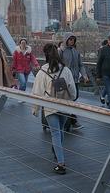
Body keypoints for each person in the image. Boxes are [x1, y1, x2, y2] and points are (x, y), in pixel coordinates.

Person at [31, 43, 77, 175]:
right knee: (60, 131)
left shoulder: (43, 71)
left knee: (55, 133)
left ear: (45, 55)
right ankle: (58, 153)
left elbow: (37, 92)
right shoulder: (66, 70)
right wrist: (71, 100)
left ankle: (61, 164)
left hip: (50, 107)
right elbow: (72, 91)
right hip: (64, 105)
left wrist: (35, 109)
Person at [60, 33, 88, 130]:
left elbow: (81, 65)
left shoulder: (76, 52)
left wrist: (84, 75)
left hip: (75, 79)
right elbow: (57, 64)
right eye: (70, 39)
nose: (72, 41)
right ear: (66, 40)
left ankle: (67, 119)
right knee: (70, 100)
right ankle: (73, 121)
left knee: (74, 97)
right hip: (65, 79)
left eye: (73, 39)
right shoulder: (61, 51)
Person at [97, 39, 108, 105]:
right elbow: (99, 62)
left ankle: (104, 97)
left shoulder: (101, 50)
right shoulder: (102, 50)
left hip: (109, 70)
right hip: (104, 71)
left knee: (109, 85)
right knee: (108, 85)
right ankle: (104, 97)